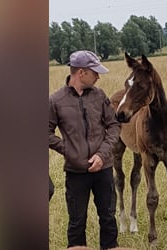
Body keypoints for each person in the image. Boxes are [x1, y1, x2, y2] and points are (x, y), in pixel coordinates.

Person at [49, 50, 120, 249]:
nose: (98, 76)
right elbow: (45, 133)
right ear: (81, 73)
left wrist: (101, 154)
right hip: (76, 173)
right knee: (77, 222)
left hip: (103, 169)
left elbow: (114, 126)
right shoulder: (56, 101)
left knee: (108, 217)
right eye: (94, 72)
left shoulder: (100, 96)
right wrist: (69, 151)